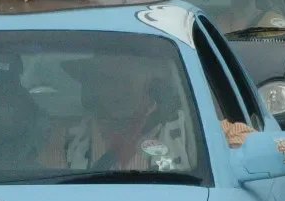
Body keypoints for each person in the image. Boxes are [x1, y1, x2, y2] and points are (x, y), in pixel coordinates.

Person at [38, 58, 194, 172]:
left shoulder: (189, 133)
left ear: (149, 82)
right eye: (106, 80)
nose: (115, 91)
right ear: (93, 85)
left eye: (125, 80)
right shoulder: (65, 141)